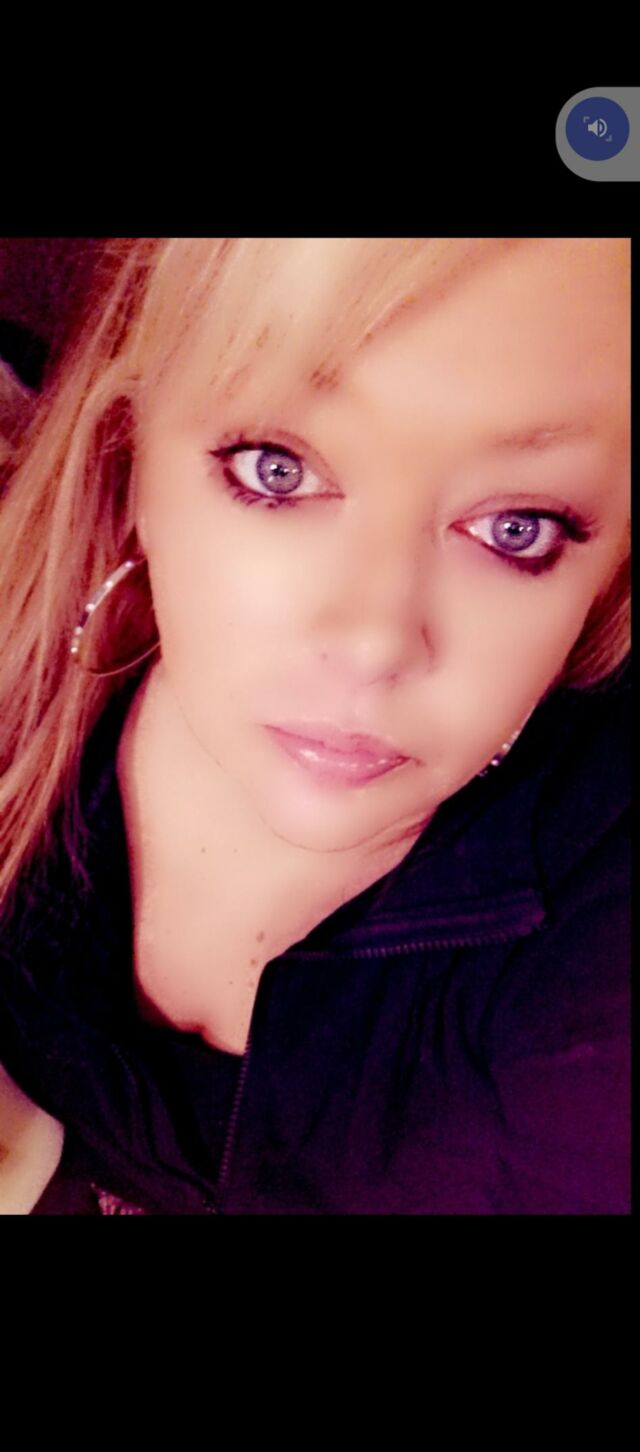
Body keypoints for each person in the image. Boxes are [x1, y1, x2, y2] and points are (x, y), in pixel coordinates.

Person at [0, 237, 630, 1215]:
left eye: (517, 527)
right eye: (279, 471)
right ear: (131, 458)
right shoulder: (21, 691)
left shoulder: (593, 949)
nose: (375, 641)